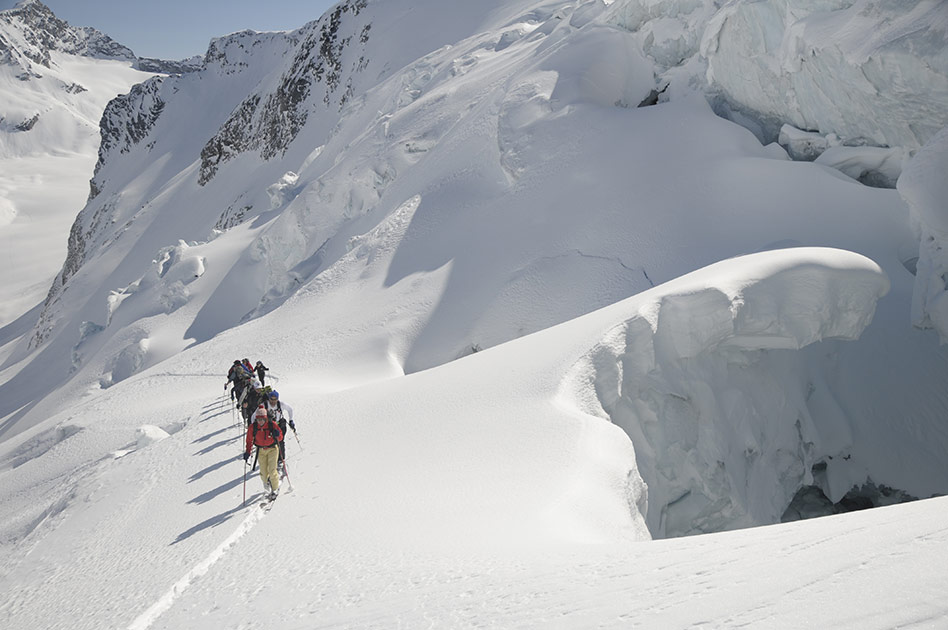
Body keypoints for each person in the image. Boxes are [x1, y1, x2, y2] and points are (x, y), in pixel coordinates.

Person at [243, 405, 283, 500]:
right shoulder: (253, 427)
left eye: (262, 419)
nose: (260, 421)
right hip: (261, 450)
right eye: (258, 419)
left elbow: (280, 437)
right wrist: (248, 452)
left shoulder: (272, 425)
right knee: (263, 473)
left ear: (265, 418)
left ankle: (275, 489)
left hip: (273, 449)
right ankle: (267, 484)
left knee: (272, 470)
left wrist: (277, 435)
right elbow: (249, 440)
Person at [264, 390, 294, 465]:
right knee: (270, 443)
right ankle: (271, 459)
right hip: (269, 426)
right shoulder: (265, 405)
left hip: (280, 425)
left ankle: (281, 459)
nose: (273, 401)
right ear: (269, 398)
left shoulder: (281, 404)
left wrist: (291, 420)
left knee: (280, 441)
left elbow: (290, 409)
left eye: (275, 399)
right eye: (271, 399)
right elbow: (255, 415)